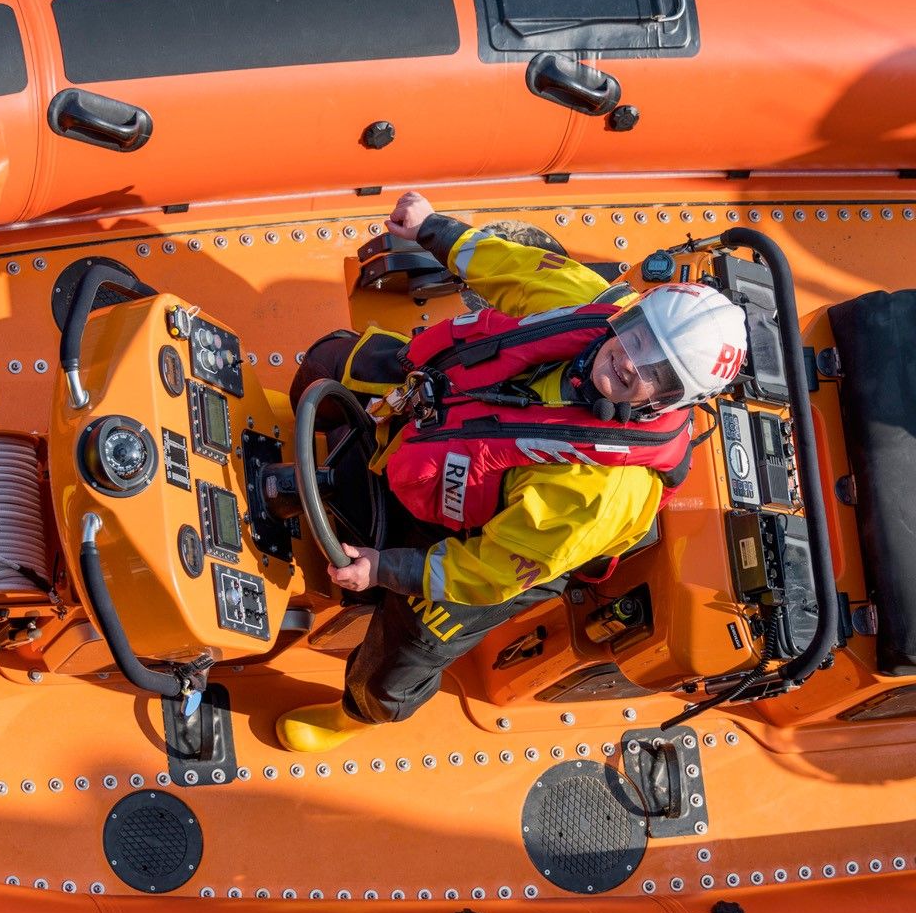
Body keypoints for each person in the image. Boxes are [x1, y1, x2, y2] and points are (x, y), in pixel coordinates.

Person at [276, 191, 747, 752]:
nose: (628, 361)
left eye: (658, 371)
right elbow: (512, 268)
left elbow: (490, 571)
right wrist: (431, 229)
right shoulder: (590, 304)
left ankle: (356, 712)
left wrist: (386, 568)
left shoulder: (598, 495)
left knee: (416, 641)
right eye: (639, 336)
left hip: (496, 540)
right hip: (439, 415)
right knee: (334, 360)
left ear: (673, 400)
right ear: (632, 314)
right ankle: (289, 423)